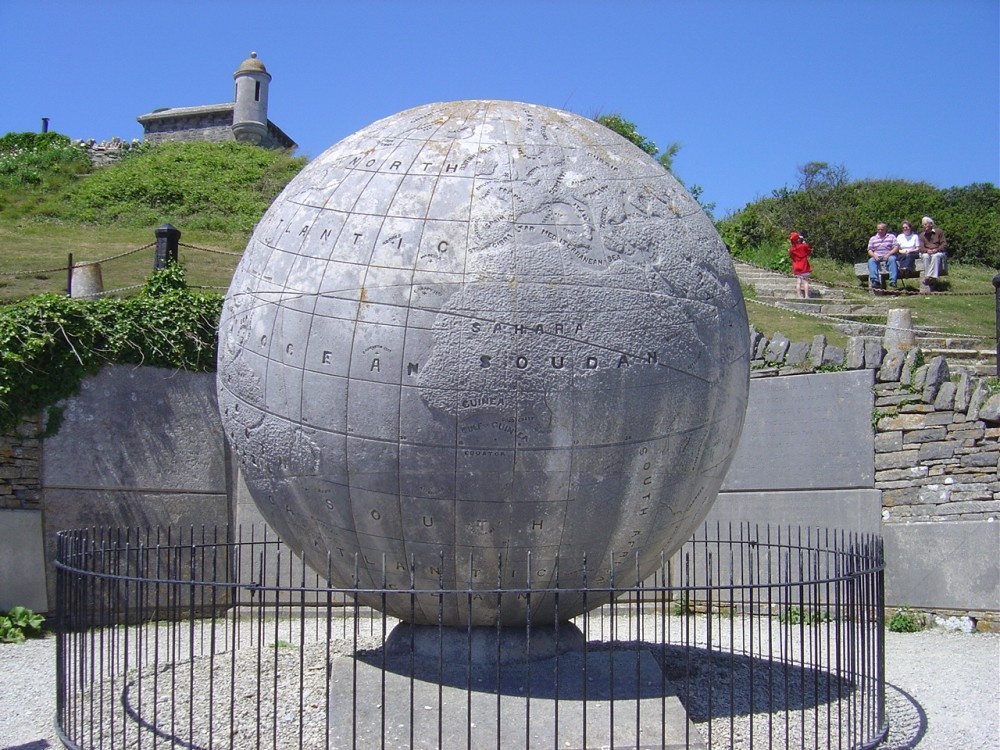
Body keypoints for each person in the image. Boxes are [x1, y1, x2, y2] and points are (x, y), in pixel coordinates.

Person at [866, 222, 898, 289]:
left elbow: (896, 247)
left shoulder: (891, 237)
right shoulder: (873, 238)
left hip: (888, 255)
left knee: (892, 259)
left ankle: (893, 281)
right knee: (871, 261)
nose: (880, 231)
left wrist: (888, 254)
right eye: (878, 229)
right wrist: (874, 255)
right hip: (877, 255)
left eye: (882, 229)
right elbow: (869, 250)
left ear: (885, 229)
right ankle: (875, 281)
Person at [920, 216, 947, 290]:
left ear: (931, 224)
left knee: (936, 256)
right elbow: (921, 247)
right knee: (925, 256)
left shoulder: (939, 232)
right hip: (927, 252)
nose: (924, 226)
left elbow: (944, 244)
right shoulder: (922, 235)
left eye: (925, 224)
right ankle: (929, 277)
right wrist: (926, 250)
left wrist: (937, 249)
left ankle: (928, 277)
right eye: (923, 225)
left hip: (938, 251)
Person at [788, 232, 813, 299]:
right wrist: (805, 244)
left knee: (798, 282)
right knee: (805, 281)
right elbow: (810, 251)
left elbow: (791, 256)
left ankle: (799, 296)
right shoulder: (804, 246)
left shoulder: (791, 249)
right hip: (804, 265)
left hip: (796, 266)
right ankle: (806, 295)